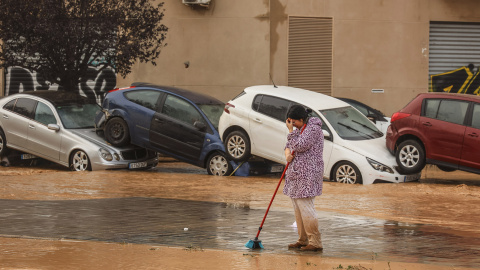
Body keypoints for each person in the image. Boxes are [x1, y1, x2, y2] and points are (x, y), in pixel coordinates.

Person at [284, 105, 324, 252]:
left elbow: (300, 145)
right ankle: (303, 239)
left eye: (294, 122)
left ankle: (315, 241)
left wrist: (290, 132)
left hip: (309, 174)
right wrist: (287, 154)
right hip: (295, 174)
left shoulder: (313, 129)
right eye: (290, 122)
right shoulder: (300, 130)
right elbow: (288, 146)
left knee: (306, 207)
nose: (292, 125)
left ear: (302, 119)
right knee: (297, 207)